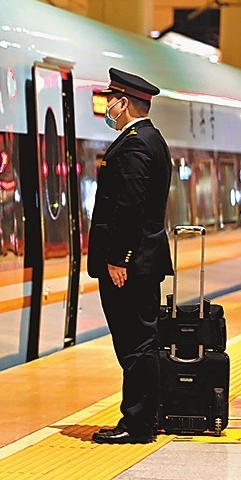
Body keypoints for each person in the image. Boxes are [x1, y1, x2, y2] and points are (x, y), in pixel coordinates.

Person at [87, 68, 173, 445]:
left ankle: (138, 424)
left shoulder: (135, 144)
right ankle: (144, 417)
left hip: (131, 264)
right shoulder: (153, 140)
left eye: (111, 100)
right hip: (142, 261)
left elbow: (129, 206)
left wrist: (119, 258)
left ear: (124, 103)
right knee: (140, 341)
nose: (108, 106)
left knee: (135, 344)